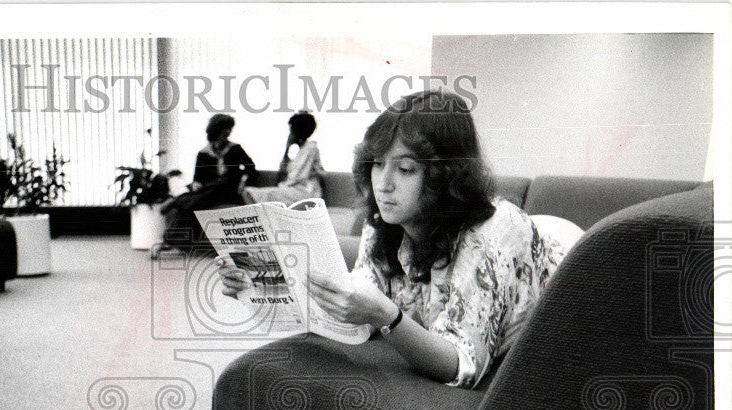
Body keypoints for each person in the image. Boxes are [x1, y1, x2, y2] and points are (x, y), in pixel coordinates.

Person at [219, 89, 570, 389]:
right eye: (376, 163)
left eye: (405, 169)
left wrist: (389, 317)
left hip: (571, 270)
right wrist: (258, 285)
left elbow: (464, 366)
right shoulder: (386, 216)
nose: (383, 183)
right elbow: (352, 307)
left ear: (444, 176)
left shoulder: (495, 230)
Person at [160, 113, 255, 251]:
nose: (227, 132)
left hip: (229, 190)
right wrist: (196, 184)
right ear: (216, 130)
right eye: (224, 129)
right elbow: (198, 178)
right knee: (194, 203)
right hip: (208, 192)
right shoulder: (203, 153)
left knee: (214, 188)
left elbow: (251, 169)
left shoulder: (235, 149)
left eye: (229, 129)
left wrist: (244, 181)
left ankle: (178, 201)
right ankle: (176, 236)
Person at [242, 111, 324, 205]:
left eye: (292, 130)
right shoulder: (301, 151)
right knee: (249, 192)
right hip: (294, 189)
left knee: (250, 193)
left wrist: (280, 187)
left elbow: (297, 176)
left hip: (306, 192)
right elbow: (283, 172)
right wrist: (287, 148)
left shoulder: (310, 148)